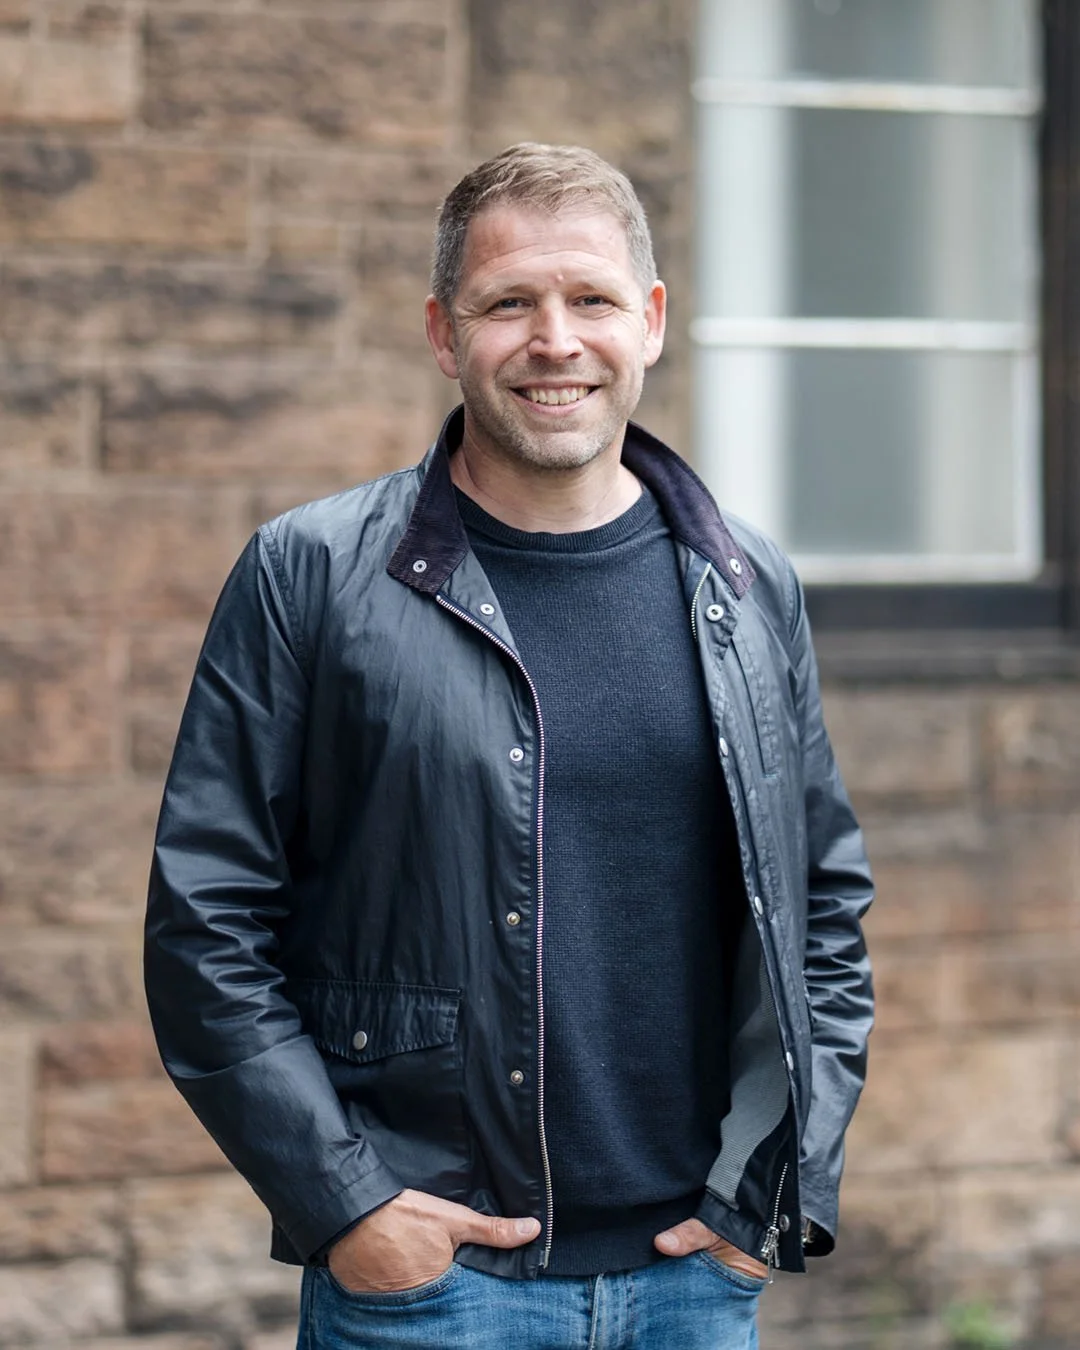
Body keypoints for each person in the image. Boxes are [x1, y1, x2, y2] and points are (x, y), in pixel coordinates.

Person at [145, 142, 874, 1350]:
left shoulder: (747, 585)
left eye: (589, 299)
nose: (554, 340)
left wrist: (772, 1185)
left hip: (693, 1280)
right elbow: (205, 924)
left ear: (647, 322)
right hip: (433, 1290)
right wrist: (349, 1205)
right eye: (507, 304)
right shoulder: (312, 575)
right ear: (445, 332)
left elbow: (824, 908)